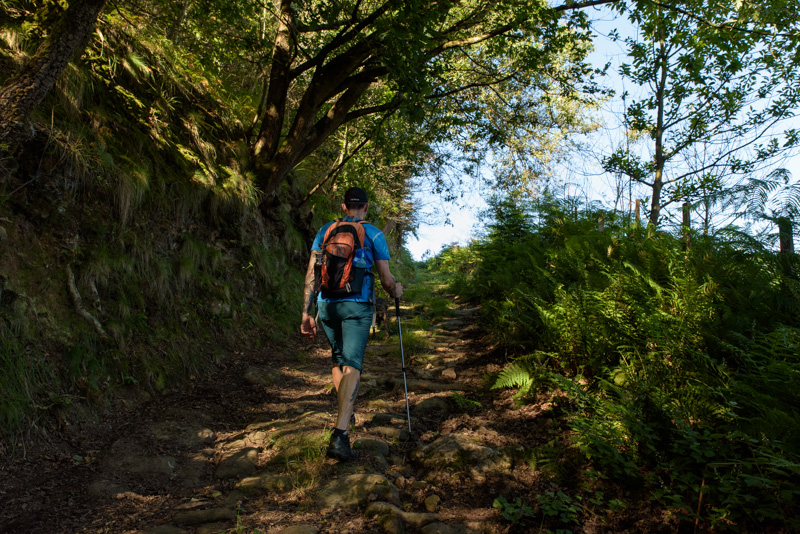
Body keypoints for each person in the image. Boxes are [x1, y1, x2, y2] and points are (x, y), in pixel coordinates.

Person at [300, 187, 404, 461]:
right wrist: (397, 291)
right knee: (353, 363)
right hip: (356, 306)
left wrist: (305, 313)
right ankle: (340, 436)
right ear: (366, 208)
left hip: (326, 304)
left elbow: (312, 273)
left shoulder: (325, 230)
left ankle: (346, 413)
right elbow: (385, 279)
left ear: (344, 207)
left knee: (338, 361)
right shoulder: (374, 234)